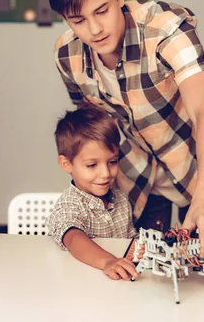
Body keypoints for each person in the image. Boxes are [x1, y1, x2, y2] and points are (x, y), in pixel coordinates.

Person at [47, 0, 204, 261]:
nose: (94, 29)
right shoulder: (67, 55)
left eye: (101, 11)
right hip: (135, 175)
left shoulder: (166, 29)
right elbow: (92, 130)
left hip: (198, 166)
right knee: (143, 272)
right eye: (78, 20)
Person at [47, 105, 139, 280]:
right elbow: (74, 239)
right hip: (83, 286)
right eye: (92, 165)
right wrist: (107, 262)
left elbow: (129, 240)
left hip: (118, 285)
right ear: (66, 164)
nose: (105, 173)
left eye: (112, 162)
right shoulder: (70, 204)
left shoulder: (120, 199)